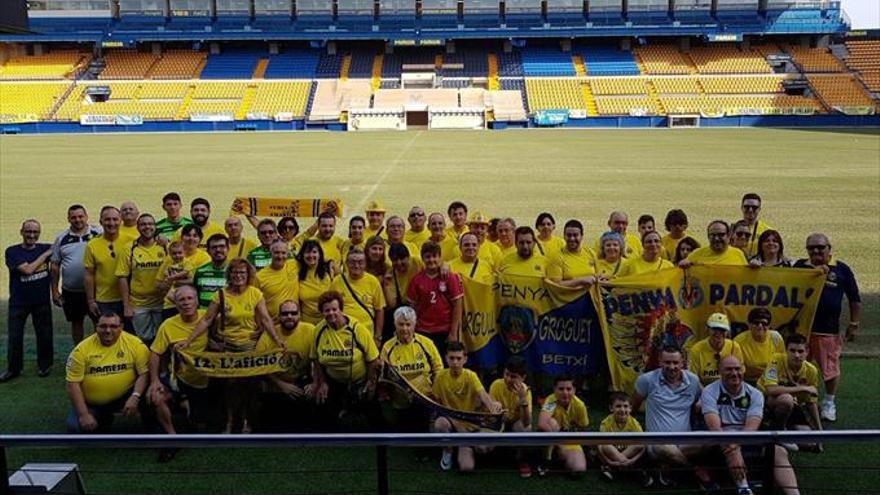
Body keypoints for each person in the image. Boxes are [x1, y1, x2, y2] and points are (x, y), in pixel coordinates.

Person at [177, 258, 285, 433]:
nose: (238, 276)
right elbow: (207, 319)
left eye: (242, 272)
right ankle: (229, 421)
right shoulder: (220, 294)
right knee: (229, 387)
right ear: (229, 275)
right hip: (228, 348)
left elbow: (265, 319)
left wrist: (277, 340)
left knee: (249, 387)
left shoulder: (255, 293)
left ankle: (246, 422)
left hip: (249, 348)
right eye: (234, 272)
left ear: (248, 274)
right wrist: (189, 341)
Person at [702, 356, 800, 495]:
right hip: (720, 439)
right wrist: (731, 448)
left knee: (779, 451)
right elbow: (715, 428)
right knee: (727, 445)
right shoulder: (709, 391)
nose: (734, 373)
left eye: (737, 369)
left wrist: (734, 446)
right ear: (719, 371)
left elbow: (751, 428)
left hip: (747, 437)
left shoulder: (755, 394)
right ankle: (744, 489)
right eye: (728, 369)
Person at [793, 232, 860, 422]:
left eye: (820, 247)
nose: (816, 251)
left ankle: (829, 402)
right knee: (797, 365)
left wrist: (854, 324)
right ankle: (798, 400)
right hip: (801, 330)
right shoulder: (799, 267)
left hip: (827, 330)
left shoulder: (841, 269)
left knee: (829, 369)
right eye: (811, 248)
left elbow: (854, 299)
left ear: (829, 249)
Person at [632, 346, 706, 488]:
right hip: (658, 442)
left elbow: (707, 395)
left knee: (708, 441)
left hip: (685, 441)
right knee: (664, 448)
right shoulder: (646, 380)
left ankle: (667, 467)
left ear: (682, 363)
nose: (671, 367)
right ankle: (695, 472)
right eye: (667, 362)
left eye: (675, 363)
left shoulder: (693, 380)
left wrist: (701, 401)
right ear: (660, 362)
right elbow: (633, 406)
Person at [148, 286, 214, 443]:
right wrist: (155, 380)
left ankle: (191, 412)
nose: (186, 303)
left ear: (197, 301)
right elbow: (155, 353)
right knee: (156, 397)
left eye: (190, 298)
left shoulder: (209, 317)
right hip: (178, 379)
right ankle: (172, 437)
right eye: (181, 300)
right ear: (175, 304)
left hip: (207, 379)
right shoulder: (168, 325)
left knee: (201, 421)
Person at [65, 312, 150, 433]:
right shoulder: (81, 350)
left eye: (113, 326)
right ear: (96, 327)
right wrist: (84, 414)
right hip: (93, 402)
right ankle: (103, 417)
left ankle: (152, 430)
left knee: (152, 395)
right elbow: (72, 384)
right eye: (103, 326)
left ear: (121, 327)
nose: (108, 330)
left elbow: (144, 374)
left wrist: (135, 397)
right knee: (75, 428)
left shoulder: (135, 344)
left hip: (125, 395)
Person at [310, 291, 381, 431]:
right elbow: (316, 359)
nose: (331, 313)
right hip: (334, 381)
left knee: (376, 419)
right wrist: (322, 382)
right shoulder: (318, 331)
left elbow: (373, 359)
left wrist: (370, 383)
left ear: (341, 309)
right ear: (321, 312)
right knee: (323, 412)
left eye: (334, 309)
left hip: (360, 379)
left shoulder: (357, 329)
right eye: (327, 310)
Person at [432, 341, 502, 472]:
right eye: (452, 358)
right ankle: (448, 450)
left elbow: (483, 395)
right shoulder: (440, 377)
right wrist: (457, 425)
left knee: (467, 467)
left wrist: (493, 407)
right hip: (451, 422)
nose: (455, 362)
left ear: (465, 359)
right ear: (446, 358)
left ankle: (465, 446)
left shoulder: (471, 376)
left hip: (471, 426)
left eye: (459, 358)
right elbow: (437, 404)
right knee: (440, 424)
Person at [2, 219, 54, 382]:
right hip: (19, 302)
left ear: (39, 233)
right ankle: (13, 369)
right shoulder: (13, 251)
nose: (32, 235)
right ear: (21, 232)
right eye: (28, 231)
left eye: (35, 232)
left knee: (45, 335)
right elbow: (28, 270)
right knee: (15, 337)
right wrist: (46, 255)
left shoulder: (46, 246)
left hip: (41, 301)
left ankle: (45, 366)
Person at [380, 306, 443, 430]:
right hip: (401, 402)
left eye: (408, 324)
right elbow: (384, 375)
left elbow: (438, 368)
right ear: (394, 324)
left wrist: (436, 391)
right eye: (401, 324)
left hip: (426, 399)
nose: (404, 329)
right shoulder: (388, 347)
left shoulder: (426, 343)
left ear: (414, 324)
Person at [260, 300, 318, 432]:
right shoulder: (270, 333)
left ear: (299, 315)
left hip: (301, 380)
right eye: (285, 314)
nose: (289, 316)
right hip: (276, 383)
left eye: (293, 313)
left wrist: (315, 382)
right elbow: (260, 365)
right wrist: (280, 384)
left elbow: (320, 360)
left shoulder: (310, 330)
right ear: (279, 316)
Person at [759, 333, 823, 446]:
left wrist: (820, 432)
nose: (796, 355)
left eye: (800, 351)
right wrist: (802, 388)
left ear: (807, 352)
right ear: (786, 351)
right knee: (786, 399)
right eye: (792, 351)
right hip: (766, 403)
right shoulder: (776, 360)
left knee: (810, 443)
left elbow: (811, 402)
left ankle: (787, 427)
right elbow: (771, 390)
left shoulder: (811, 371)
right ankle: (780, 433)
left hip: (794, 406)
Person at [51, 204, 102, 345]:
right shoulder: (62, 238)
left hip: (96, 290)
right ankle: (78, 351)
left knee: (99, 321)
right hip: (72, 291)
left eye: (80, 216)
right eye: (73, 217)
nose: (77, 220)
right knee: (76, 322)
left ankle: (100, 351)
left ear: (86, 217)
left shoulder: (99, 233)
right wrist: (55, 291)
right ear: (68, 219)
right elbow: (55, 265)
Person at [115, 213, 166, 343]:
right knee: (143, 340)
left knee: (162, 339)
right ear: (137, 227)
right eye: (143, 224)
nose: (147, 227)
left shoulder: (165, 246)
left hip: (162, 302)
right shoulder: (129, 249)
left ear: (155, 227)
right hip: (139, 304)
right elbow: (122, 278)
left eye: (150, 224)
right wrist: (126, 305)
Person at [407, 241, 464, 357]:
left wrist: (453, 332)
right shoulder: (416, 280)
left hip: (444, 330)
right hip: (423, 330)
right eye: (428, 257)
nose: (431, 260)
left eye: (434, 256)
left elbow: (457, 304)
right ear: (423, 259)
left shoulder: (449, 277)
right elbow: (411, 307)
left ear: (440, 258)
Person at [488, 356, 533, 478]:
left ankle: (522, 459)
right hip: (498, 423)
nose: (508, 379)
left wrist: (523, 400)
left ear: (522, 378)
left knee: (525, 429)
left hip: (515, 424)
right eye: (506, 374)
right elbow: (489, 417)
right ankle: (494, 455)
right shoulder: (496, 385)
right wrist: (497, 413)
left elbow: (526, 422)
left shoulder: (525, 391)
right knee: (482, 448)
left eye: (513, 376)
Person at [536, 375, 588, 477]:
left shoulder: (580, 406)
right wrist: (559, 445)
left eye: (569, 389)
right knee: (551, 423)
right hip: (551, 437)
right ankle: (545, 460)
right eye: (561, 389)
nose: (565, 392)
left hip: (569, 439)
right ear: (554, 389)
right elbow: (542, 423)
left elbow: (583, 427)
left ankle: (561, 459)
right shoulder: (551, 401)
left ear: (574, 390)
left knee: (579, 470)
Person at [330, 248, 386, 341]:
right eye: (352, 262)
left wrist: (378, 336)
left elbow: (379, 309)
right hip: (343, 333)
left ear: (365, 264)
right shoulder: (337, 281)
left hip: (366, 333)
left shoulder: (373, 281)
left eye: (360, 262)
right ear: (347, 263)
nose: (356, 266)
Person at [84, 206, 126, 318]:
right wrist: (91, 301)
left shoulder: (131, 241)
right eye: (107, 219)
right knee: (105, 332)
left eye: (115, 219)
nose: (111, 223)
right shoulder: (92, 245)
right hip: (103, 300)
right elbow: (89, 275)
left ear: (120, 221)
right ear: (100, 221)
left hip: (127, 299)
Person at [597, 392, 648, 485]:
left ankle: (611, 469)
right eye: (618, 406)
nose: (622, 409)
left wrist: (633, 460)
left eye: (625, 406)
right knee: (606, 446)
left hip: (628, 451)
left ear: (630, 409)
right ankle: (631, 469)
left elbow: (643, 445)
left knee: (639, 444)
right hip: (612, 452)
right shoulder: (606, 423)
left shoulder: (634, 423)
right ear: (611, 408)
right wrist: (608, 461)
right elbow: (600, 447)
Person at [687, 313, 744, 385]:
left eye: (722, 330)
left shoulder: (734, 347)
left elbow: (740, 373)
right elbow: (693, 378)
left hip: (729, 387)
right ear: (707, 329)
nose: (718, 333)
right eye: (714, 329)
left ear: (727, 332)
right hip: (704, 389)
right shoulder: (696, 350)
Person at [733, 307, 784, 384]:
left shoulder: (776, 338)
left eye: (764, 323)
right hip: (747, 381)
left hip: (771, 380)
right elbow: (736, 369)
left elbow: (782, 363)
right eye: (756, 323)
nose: (760, 326)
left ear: (769, 326)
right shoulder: (739, 341)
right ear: (749, 324)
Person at [255, 239, 300, 322]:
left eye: (283, 253)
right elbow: (256, 304)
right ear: (270, 253)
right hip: (273, 324)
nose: (280, 256)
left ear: (288, 254)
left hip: (294, 321)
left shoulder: (295, 264)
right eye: (276, 253)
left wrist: (329, 262)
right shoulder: (259, 276)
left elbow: (315, 258)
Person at [546, 219, 597, 289]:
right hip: (570, 299)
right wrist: (581, 280)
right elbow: (555, 285)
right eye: (569, 235)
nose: (572, 238)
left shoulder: (590, 253)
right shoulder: (557, 257)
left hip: (592, 298)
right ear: (564, 236)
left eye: (575, 235)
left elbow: (599, 275)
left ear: (582, 236)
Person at [296, 240, 334, 324]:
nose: (311, 255)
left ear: (320, 254)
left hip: (327, 320)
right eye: (307, 252)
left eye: (314, 252)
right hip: (306, 321)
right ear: (302, 255)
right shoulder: (297, 271)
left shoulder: (329, 269)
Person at [680, 220, 748, 267]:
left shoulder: (738, 254)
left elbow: (747, 277)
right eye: (713, 235)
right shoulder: (696, 254)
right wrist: (683, 265)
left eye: (721, 235)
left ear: (728, 236)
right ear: (708, 237)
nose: (716, 238)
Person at [192, 233, 230, 308]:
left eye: (222, 246)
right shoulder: (200, 272)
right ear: (208, 251)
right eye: (214, 247)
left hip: (227, 317)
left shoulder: (235, 271)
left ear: (228, 249)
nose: (218, 250)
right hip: (203, 315)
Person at [740, 193, 773, 258]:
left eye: (754, 207)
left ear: (759, 209)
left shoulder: (768, 231)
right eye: (747, 207)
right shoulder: (732, 230)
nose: (750, 210)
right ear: (741, 208)